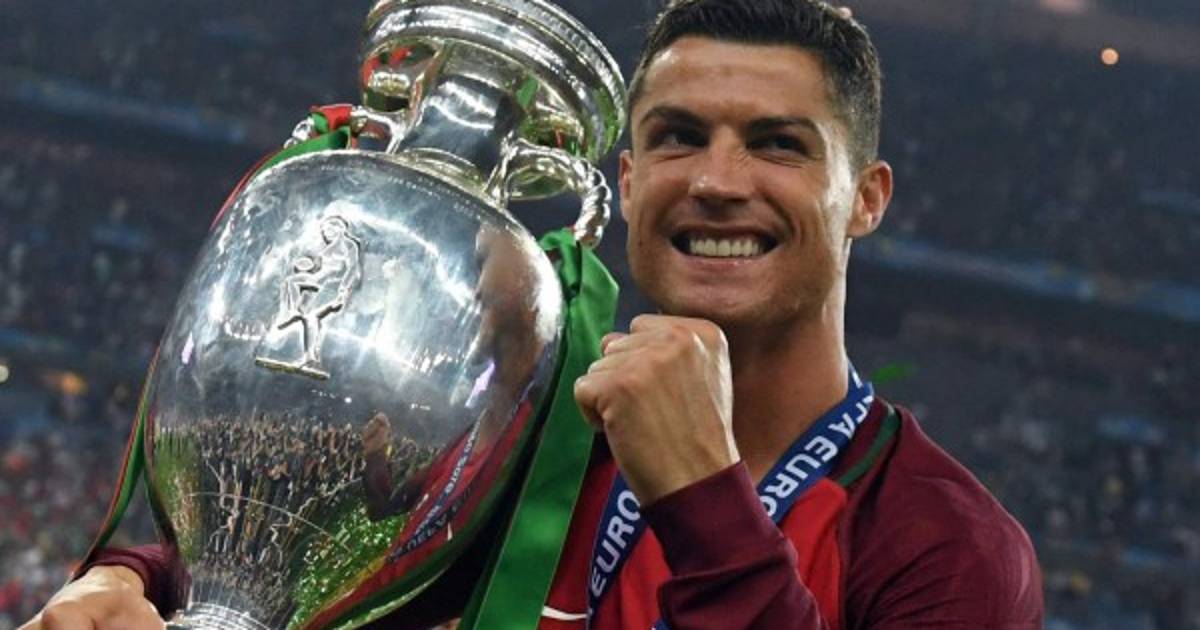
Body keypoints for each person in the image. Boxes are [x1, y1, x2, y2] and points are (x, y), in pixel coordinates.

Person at [22, 1, 1043, 628]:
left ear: (865, 198)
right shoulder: (526, 436)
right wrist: (127, 581)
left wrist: (704, 500)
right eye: (679, 138)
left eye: (778, 145)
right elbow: (299, 562)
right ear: (628, 183)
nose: (718, 181)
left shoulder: (945, 547)